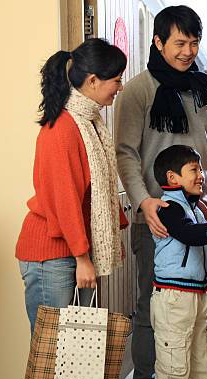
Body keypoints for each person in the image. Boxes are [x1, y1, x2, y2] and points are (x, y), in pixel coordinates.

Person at [114, 6, 207, 379]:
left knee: (198, 303)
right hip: (157, 215)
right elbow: (125, 152)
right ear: (159, 42)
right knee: (153, 305)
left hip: (202, 213)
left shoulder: (204, 88)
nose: (188, 51)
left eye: (194, 42)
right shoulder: (138, 91)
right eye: (180, 43)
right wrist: (143, 202)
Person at [16, 38, 129, 335]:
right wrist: (82, 257)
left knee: (74, 357)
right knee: (54, 353)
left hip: (71, 251)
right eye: (116, 80)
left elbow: (93, 193)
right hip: (52, 253)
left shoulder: (89, 122)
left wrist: (109, 240)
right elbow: (64, 200)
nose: (120, 87)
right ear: (93, 81)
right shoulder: (63, 128)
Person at [150, 145, 207, 379]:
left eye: (200, 169)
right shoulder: (169, 207)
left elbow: (201, 258)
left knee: (199, 368)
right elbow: (188, 234)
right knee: (175, 372)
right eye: (194, 170)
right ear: (173, 178)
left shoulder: (195, 208)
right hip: (174, 299)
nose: (201, 175)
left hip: (194, 296)